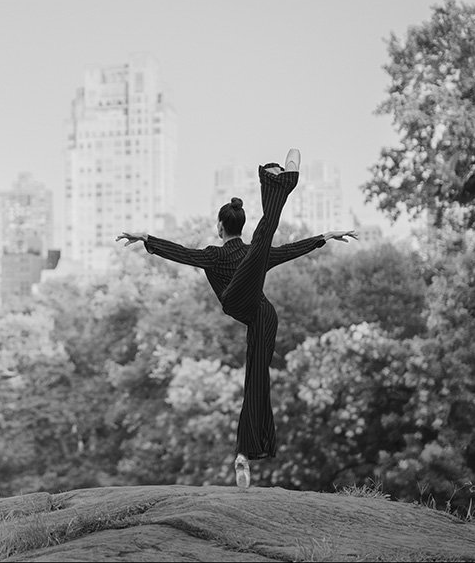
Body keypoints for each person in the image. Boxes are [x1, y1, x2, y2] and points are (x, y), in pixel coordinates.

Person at [116, 149, 357, 490]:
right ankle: (279, 186)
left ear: (219, 227)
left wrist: (147, 239)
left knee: (256, 382)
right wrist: (322, 238)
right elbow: (283, 251)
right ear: (238, 225)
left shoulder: (214, 255)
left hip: (258, 314)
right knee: (260, 247)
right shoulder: (228, 255)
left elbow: (183, 253)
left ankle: (243, 456)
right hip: (250, 301)